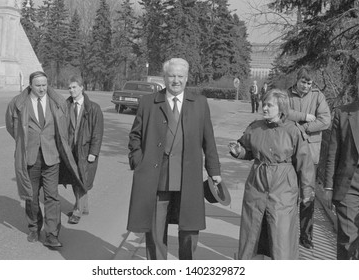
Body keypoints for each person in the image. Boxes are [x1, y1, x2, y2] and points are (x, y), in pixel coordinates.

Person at [127, 58, 222, 260]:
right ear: (164, 78)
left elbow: (209, 140)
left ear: (187, 78)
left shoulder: (200, 103)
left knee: (189, 230)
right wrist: (138, 161)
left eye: (180, 76)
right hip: (156, 178)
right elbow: (135, 136)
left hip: (188, 178)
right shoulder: (148, 102)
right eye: (172, 76)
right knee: (154, 229)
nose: (176, 80)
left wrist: (214, 172)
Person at [229, 89, 315, 260]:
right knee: (252, 231)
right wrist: (238, 151)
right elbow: (247, 150)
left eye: (270, 105)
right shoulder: (255, 127)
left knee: (281, 234)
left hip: (283, 188)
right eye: (264, 104)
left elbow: (305, 164)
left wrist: (307, 191)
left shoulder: (293, 131)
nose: (265, 108)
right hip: (257, 185)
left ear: (281, 108)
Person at [5, 71, 81, 248]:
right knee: (31, 196)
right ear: (30, 85)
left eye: (44, 85)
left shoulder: (57, 102)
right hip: (30, 157)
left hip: (52, 158)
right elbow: (11, 126)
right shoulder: (18, 103)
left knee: (52, 197)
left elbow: (65, 127)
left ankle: (52, 234)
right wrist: (25, 141)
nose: (41, 88)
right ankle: (33, 227)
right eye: (38, 85)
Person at [286, 66, 331, 249]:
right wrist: (304, 117)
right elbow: (283, 113)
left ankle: (305, 236)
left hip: (310, 155)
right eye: (303, 82)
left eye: (309, 83)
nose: (306, 86)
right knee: (288, 196)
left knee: (307, 196)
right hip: (288, 153)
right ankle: (287, 233)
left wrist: (303, 128)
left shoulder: (318, 96)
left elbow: (325, 121)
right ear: (297, 80)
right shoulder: (286, 95)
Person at [324, 73, 359, 260]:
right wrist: (328, 186)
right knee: (348, 238)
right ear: (357, 88)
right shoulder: (343, 112)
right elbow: (333, 152)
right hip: (349, 183)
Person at [65, 76, 104, 224]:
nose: (71, 90)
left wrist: (93, 152)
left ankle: (77, 211)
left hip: (86, 151)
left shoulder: (93, 108)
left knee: (82, 180)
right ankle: (84, 207)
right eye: (69, 88)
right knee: (76, 180)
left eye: (74, 87)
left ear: (82, 87)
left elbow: (97, 133)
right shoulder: (66, 105)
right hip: (70, 151)